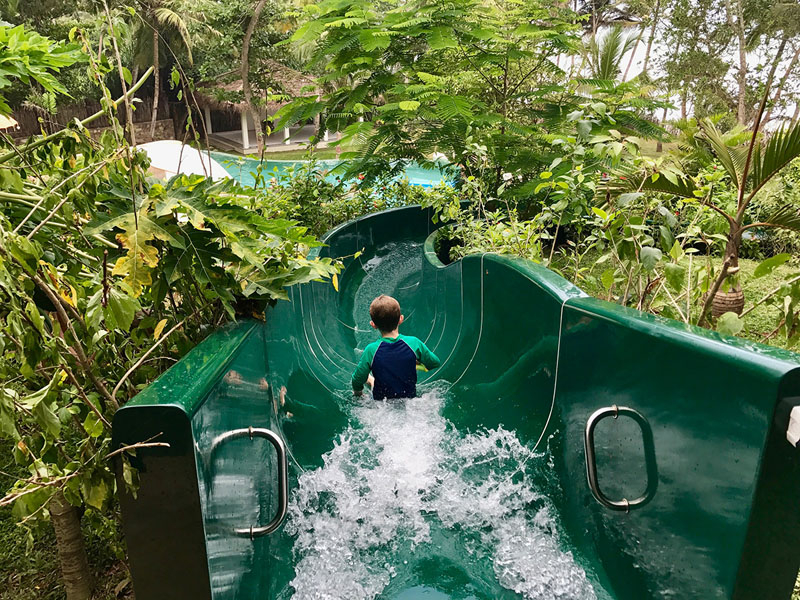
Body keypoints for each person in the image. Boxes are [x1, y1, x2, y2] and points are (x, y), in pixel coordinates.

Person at [352, 295, 441, 400]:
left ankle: (372, 381)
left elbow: (357, 378)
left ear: (373, 325)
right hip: (410, 401)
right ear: (401, 319)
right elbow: (435, 362)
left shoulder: (371, 350)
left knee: (367, 377)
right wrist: (417, 362)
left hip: (382, 405)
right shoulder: (414, 343)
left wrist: (358, 393)